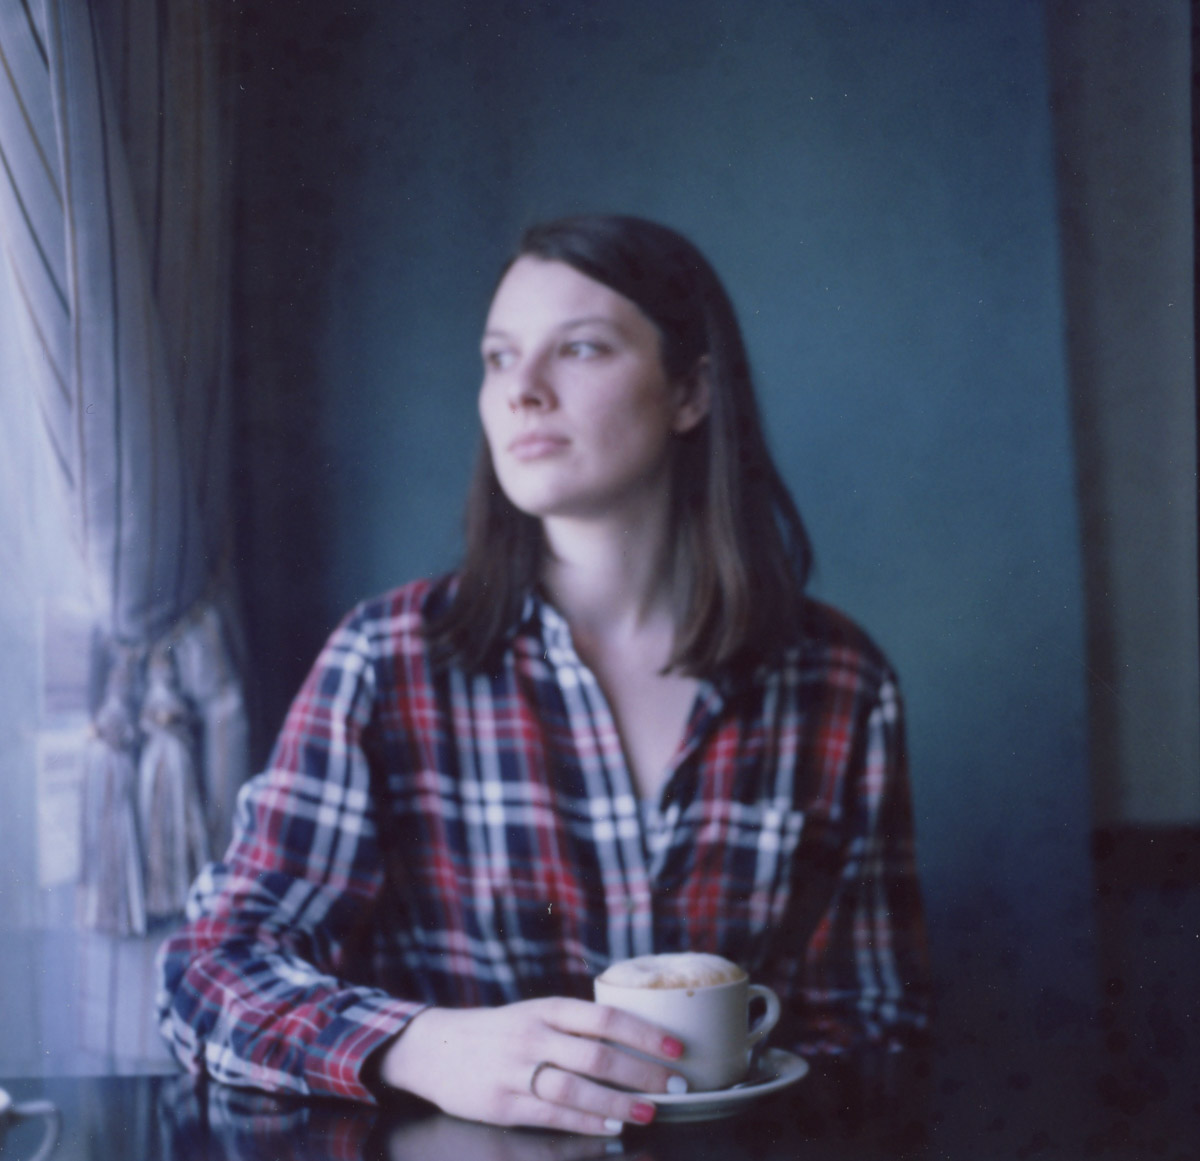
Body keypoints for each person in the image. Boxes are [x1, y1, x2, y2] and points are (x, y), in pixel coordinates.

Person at [156, 214, 930, 1137]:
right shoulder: (386, 660)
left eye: (581, 347)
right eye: (498, 357)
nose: (521, 390)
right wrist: (424, 1045)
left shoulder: (838, 682)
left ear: (690, 391)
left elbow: (875, 1025)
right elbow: (210, 967)